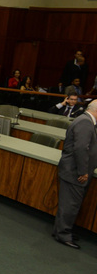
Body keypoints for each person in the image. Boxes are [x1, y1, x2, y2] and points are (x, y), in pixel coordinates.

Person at [52, 101, 97, 249]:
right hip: (75, 171)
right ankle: (63, 234)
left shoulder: (85, 120)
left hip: (73, 170)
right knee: (70, 205)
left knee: (68, 204)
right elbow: (81, 148)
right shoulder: (85, 122)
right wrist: (83, 171)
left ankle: (61, 230)